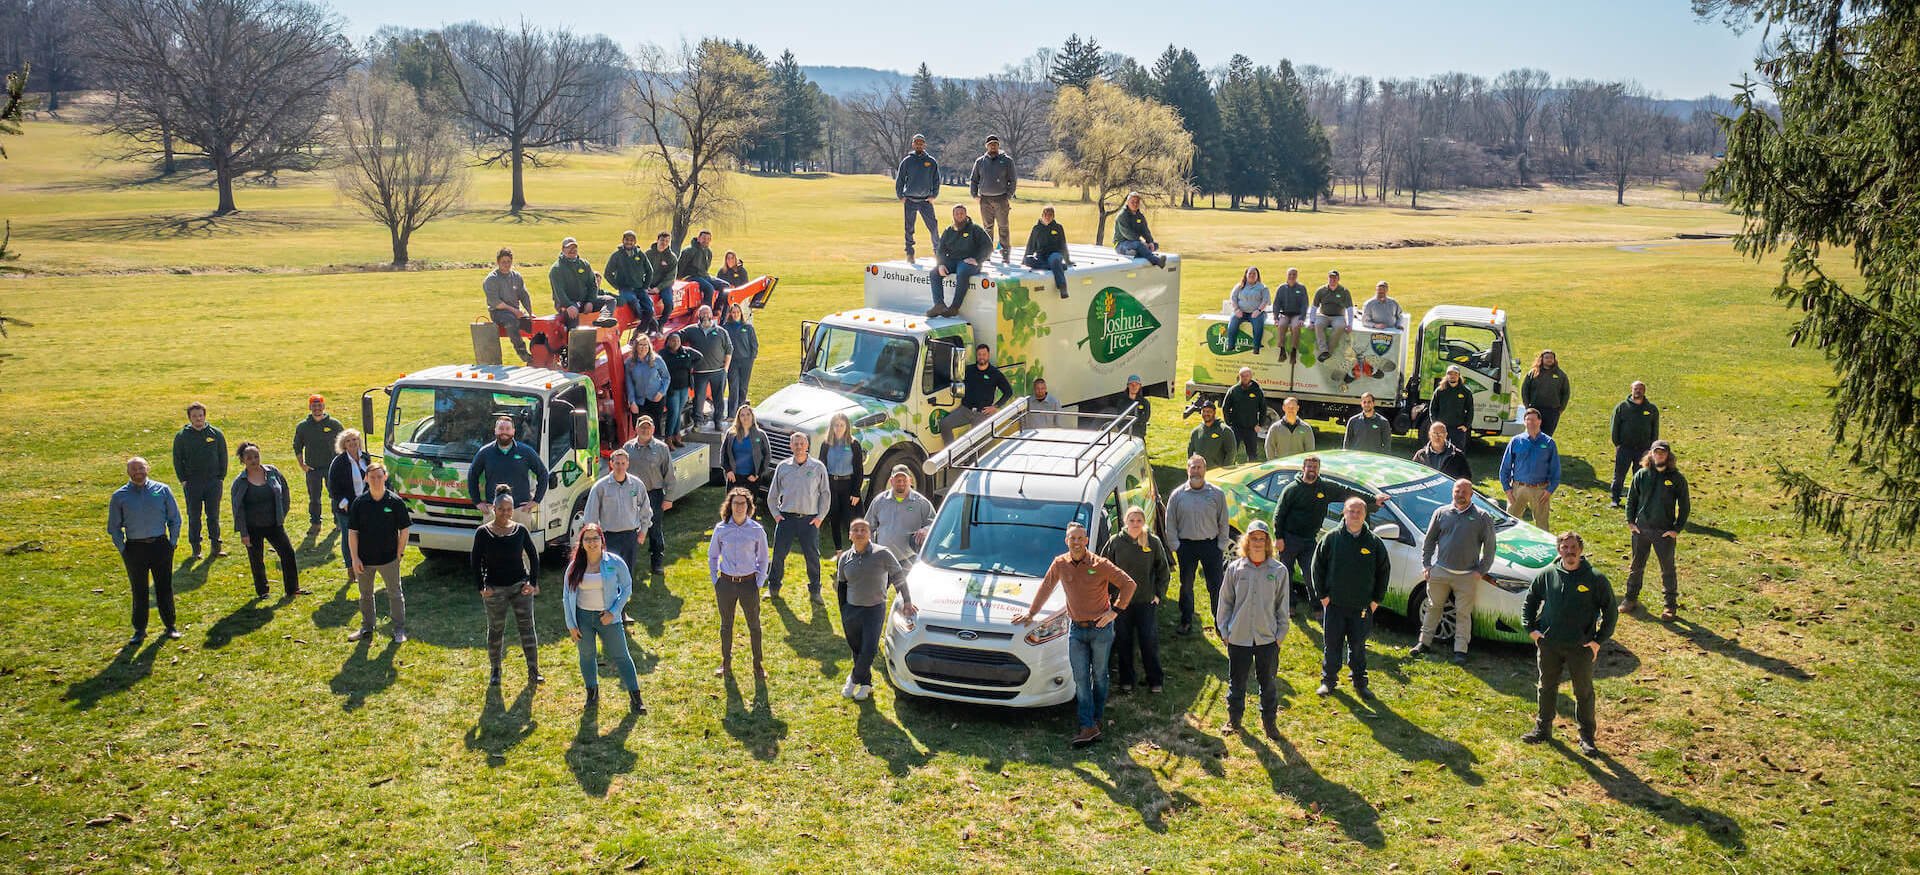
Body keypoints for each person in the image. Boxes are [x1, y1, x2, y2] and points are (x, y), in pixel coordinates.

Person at [1011, 523, 1138, 748]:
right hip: (1077, 630)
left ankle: (1095, 719)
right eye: (1072, 539)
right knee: (1080, 678)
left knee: (1099, 676)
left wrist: (1115, 611)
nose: (1076, 542)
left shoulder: (1100, 564)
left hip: (1101, 629)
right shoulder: (1060, 564)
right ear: (1066, 541)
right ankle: (1087, 724)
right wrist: (1031, 614)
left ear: (1087, 540)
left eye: (1080, 538)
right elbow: (1046, 587)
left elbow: (1129, 584)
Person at [1522, 531, 1617, 756]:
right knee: (1546, 686)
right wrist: (1531, 629)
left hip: (1580, 647)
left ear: (1580, 550)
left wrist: (1597, 641)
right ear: (1559, 550)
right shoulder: (1547, 574)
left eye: (1573, 547)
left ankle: (1587, 738)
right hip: (1549, 644)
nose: (1569, 552)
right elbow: (1531, 599)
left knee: (1583, 691)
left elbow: (1611, 612)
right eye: (1565, 548)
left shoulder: (1595, 578)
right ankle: (1542, 729)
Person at [1273, 455, 1388, 619]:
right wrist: (1279, 537)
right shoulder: (1292, 489)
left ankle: (1317, 607)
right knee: (1286, 574)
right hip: (1289, 538)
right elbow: (1279, 513)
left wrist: (1373, 499)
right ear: (1303, 468)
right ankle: (1289, 605)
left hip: (1309, 539)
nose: (1312, 469)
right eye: (1309, 466)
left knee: (1311, 574)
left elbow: (1347, 492)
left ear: (1318, 469)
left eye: (1315, 467)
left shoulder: (1325, 487)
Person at [1312, 497, 1391, 699]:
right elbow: (1317, 567)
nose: (1354, 515)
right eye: (1351, 511)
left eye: (1359, 512)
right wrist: (1323, 597)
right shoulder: (1331, 539)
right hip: (1335, 605)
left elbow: (1384, 572)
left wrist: (1375, 601)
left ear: (1365, 515)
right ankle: (1328, 681)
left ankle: (1359, 681)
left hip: (1362, 608)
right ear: (1344, 513)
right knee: (1332, 645)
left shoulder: (1374, 543)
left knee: (1358, 646)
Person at [1411, 478, 1498, 663]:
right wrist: (1427, 565)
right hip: (1440, 572)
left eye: (1464, 492)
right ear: (1453, 492)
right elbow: (1429, 541)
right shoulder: (1441, 513)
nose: (1460, 495)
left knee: (1463, 613)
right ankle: (1423, 643)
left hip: (1467, 576)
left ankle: (1460, 650)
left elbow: (1490, 549)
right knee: (1433, 607)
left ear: (1471, 494)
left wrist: (1480, 571)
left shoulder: (1482, 517)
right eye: (1457, 491)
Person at [1216, 520, 1289, 738]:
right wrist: (1225, 631)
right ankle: (1234, 719)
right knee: (1237, 682)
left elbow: (1282, 605)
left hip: (1267, 639)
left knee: (1268, 683)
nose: (1258, 542)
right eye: (1254, 538)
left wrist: (1280, 635)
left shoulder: (1279, 571)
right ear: (1247, 541)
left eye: (1262, 538)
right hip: (1239, 637)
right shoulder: (1234, 569)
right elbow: (1225, 602)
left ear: (1267, 542)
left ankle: (1270, 724)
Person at [562, 523, 643, 713]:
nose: (592, 543)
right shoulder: (575, 567)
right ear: (581, 543)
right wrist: (571, 624)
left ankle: (636, 696)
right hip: (583, 618)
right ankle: (592, 693)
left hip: (608, 618)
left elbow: (627, 588)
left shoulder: (614, 562)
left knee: (621, 656)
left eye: (595, 538)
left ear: (602, 541)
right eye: (587, 539)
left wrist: (613, 612)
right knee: (587, 655)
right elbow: (566, 596)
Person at [472, 486, 542, 686]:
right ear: (494, 508)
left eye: (509, 509)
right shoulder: (483, 533)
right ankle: (495, 669)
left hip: (520, 587)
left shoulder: (520, 530)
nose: (505, 512)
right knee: (496, 630)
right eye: (501, 509)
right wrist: (481, 586)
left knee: (527, 629)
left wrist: (532, 582)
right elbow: (475, 561)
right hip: (495, 589)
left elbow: (533, 556)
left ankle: (533, 670)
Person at [834, 518, 909, 700]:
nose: (860, 533)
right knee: (857, 649)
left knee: (869, 649)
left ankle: (853, 680)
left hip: (874, 609)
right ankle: (866, 684)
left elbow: (898, 576)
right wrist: (843, 611)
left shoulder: (882, 553)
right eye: (856, 530)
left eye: (863, 530)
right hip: (851, 610)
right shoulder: (844, 558)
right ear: (850, 535)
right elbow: (842, 586)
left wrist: (907, 601)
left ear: (870, 534)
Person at [109, 456, 182, 643]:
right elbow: (114, 527)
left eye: (141, 468)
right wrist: (123, 549)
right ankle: (139, 630)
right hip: (135, 548)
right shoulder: (119, 496)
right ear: (128, 472)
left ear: (147, 468)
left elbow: (175, 518)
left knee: (164, 587)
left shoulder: (162, 490)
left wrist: (172, 542)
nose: (138, 472)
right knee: (139, 590)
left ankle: (170, 626)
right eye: (133, 469)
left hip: (160, 545)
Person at [1101, 506, 1170, 695]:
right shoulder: (1115, 542)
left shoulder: (1153, 542)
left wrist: (1158, 594)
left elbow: (1163, 570)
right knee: (1124, 641)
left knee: (1148, 641)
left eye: (1139, 520)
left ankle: (1155, 680)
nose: (1135, 524)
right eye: (1132, 520)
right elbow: (1103, 568)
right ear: (1125, 521)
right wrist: (1108, 595)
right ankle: (1126, 680)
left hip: (1145, 601)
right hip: (1121, 603)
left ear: (1143, 522)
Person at [1164, 454, 1231, 636]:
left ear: (1205, 469)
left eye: (1199, 467)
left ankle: (1220, 623)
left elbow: (1223, 521)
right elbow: (1170, 522)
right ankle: (1186, 621)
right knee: (1186, 586)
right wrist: (1175, 545)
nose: (1196, 471)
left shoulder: (1217, 494)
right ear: (1188, 470)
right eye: (1193, 467)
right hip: (1186, 547)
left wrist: (1221, 544)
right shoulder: (1177, 495)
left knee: (1216, 586)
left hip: (1211, 546)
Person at [1623, 441, 1690, 621]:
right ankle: (1630, 599)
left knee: (1667, 569)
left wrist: (1676, 529)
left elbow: (1684, 506)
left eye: (1663, 452)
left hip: (1664, 532)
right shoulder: (1642, 475)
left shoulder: (1677, 478)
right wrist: (1631, 521)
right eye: (1656, 452)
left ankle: (1670, 606)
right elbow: (1631, 499)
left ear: (1668, 455)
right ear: (1651, 454)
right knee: (1636, 566)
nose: (1659, 455)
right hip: (1641, 530)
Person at [346, 463, 411, 643]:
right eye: (372, 477)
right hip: (364, 560)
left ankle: (399, 629)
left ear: (385, 477)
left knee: (395, 593)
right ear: (366, 478)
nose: (375, 480)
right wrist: (354, 557)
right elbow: (352, 532)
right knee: (365, 594)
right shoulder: (359, 503)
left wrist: (400, 552)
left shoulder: (395, 502)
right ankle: (367, 627)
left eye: (379, 476)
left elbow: (404, 529)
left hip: (389, 558)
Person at [708, 487, 769, 679]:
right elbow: (712, 556)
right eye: (736, 503)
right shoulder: (721, 529)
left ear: (748, 506)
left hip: (748, 583)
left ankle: (758, 665)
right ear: (730, 506)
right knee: (726, 625)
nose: (739, 507)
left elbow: (764, 559)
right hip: (726, 583)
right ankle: (725, 663)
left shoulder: (756, 530)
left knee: (754, 626)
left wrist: (758, 582)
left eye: (743, 503)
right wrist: (715, 580)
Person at [767, 432, 832, 604]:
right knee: (779, 554)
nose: (799, 446)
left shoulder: (818, 467)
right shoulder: (783, 467)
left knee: (812, 556)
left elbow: (825, 494)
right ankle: (773, 588)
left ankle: (815, 591)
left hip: (809, 519)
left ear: (807, 445)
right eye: (795, 444)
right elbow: (772, 494)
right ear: (790, 446)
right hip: (786, 518)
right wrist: (776, 515)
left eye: (802, 443)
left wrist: (820, 517)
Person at [229, 442, 299, 600]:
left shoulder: (272, 472)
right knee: (257, 560)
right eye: (249, 458)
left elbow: (284, 492)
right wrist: (243, 533)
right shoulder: (240, 482)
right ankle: (262, 591)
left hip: (274, 524)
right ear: (243, 460)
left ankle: (292, 588)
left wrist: (282, 513)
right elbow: (237, 509)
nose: (254, 460)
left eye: (256, 456)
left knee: (288, 553)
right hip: (252, 527)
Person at [619, 416, 676, 575]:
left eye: (648, 427)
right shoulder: (627, 448)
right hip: (632, 495)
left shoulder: (661, 448)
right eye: (642, 427)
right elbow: (621, 471)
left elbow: (670, 476)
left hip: (654, 495)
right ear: (636, 429)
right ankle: (628, 563)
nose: (645, 430)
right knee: (629, 528)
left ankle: (656, 562)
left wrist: (669, 498)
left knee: (654, 528)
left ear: (653, 430)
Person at [466, 417, 549, 526]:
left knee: (519, 543)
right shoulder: (485, 452)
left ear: (513, 431)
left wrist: (536, 500)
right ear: (495, 430)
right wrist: (477, 502)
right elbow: (472, 475)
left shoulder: (526, 451)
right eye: (501, 428)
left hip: (520, 510)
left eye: (507, 429)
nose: (504, 432)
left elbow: (543, 473)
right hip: (493, 509)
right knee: (492, 543)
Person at [582, 449, 652, 575]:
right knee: (610, 571)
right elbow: (590, 514)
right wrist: (591, 538)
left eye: (623, 463)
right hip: (609, 537)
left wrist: (643, 530)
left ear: (628, 464)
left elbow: (645, 508)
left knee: (627, 571)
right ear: (611, 464)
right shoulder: (600, 487)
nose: (620, 467)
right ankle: (611, 593)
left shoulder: (636, 484)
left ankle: (626, 594)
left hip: (630, 536)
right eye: (617, 463)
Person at [172, 401, 228, 558]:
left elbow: (223, 455)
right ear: (189, 418)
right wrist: (183, 479)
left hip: (213, 482)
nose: (198, 419)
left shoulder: (215, 434)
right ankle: (196, 549)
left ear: (205, 416)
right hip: (192, 483)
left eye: (200, 415)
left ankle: (216, 547)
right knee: (194, 516)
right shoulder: (182, 437)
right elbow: (177, 459)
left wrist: (220, 477)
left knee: (213, 515)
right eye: (194, 416)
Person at [1500, 408, 1561, 531]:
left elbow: (1555, 470)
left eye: (1533, 420)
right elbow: (1504, 468)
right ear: (1524, 422)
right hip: (1518, 488)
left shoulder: (1549, 443)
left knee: (1542, 526)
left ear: (1539, 421)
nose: (1530, 423)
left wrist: (1549, 490)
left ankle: (1543, 548)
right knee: (1510, 524)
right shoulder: (1516, 441)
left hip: (1540, 490)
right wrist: (1507, 490)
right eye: (1528, 420)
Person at [937, 344, 1012, 443]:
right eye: (979, 354)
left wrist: (995, 407)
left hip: (982, 414)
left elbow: (1008, 392)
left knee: (974, 442)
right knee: (944, 424)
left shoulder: (995, 373)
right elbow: (955, 378)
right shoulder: (968, 370)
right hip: (965, 410)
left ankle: (973, 458)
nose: (982, 357)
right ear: (977, 356)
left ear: (988, 355)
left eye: (984, 354)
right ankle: (951, 453)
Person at [291, 394, 342, 535]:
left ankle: (338, 521)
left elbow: (345, 443)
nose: (317, 408)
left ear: (324, 406)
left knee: (335, 495)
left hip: (332, 467)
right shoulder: (303, 427)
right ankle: (315, 523)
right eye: (314, 405)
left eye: (319, 405)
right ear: (310, 407)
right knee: (314, 498)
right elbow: (297, 446)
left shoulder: (334, 424)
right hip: (313, 468)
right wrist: (302, 464)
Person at [929, 204, 991, 317]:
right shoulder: (949, 230)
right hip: (952, 261)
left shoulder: (975, 229)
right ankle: (939, 305)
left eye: (962, 213)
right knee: (934, 272)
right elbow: (940, 249)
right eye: (957, 214)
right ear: (953, 215)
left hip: (969, 262)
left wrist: (977, 259)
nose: (959, 216)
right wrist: (941, 264)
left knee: (962, 272)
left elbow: (988, 246)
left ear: (966, 215)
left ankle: (954, 307)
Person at [678, 305, 733, 432]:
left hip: (718, 372)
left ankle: (718, 421)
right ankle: (698, 422)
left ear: (711, 315)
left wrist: (726, 368)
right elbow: (676, 338)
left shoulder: (721, 331)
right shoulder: (691, 330)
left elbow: (729, 349)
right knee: (699, 398)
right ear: (699, 316)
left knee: (718, 398)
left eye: (707, 313)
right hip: (699, 372)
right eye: (703, 313)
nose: (705, 315)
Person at [325, 429, 371, 573]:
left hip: (364, 505)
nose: (352, 443)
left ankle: (364, 564)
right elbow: (332, 487)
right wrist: (343, 503)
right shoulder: (339, 462)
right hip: (347, 506)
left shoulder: (365, 458)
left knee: (365, 535)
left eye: (355, 439)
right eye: (348, 441)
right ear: (344, 444)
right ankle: (351, 568)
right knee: (348, 537)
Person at [820, 413, 867, 551]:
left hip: (848, 486)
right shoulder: (826, 444)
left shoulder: (853, 444)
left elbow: (859, 469)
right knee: (834, 518)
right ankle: (839, 551)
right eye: (836, 425)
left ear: (847, 426)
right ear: (832, 427)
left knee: (849, 520)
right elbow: (821, 467)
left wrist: (856, 491)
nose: (839, 428)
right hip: (831, 485)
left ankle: (855, 549)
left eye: (842, 425)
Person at [867, 465, 934, 560]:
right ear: (891, 481)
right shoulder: (879, 501)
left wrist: (926, 530)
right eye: (898, 480)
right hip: (883, 559)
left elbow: (935, 525)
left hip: (909, 559)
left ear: (910, 481)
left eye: (904, 480)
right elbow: (868, 527)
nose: (901, 483)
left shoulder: (921, 502)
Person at [1609, 381, 1660, 508]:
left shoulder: (1651, 409)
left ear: (1644, 391)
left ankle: (1637, 501)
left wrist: (1652, 448)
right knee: (1619, 475)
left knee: (1640, 476)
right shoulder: (1622, 407)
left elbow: (1655, 429)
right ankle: (1615, 498)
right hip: (1625, 448)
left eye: (1641, 389)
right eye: (1636, 389)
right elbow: (1614, 427)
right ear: (1631, 390)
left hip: (1643, 450)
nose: (1638, 391)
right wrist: (1617, 444)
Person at [969, 134, 1017, 263]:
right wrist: (975, 194)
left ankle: (1005, 254)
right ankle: (987, 253)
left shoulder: (1007, 161)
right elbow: (974, 179)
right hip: (985, 200)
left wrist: (1008, 195)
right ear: (986, 146)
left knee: (1003, 227)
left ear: (998, 145)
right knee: (987, 228)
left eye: (995, 144)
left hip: (1001, 198)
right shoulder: (980, 161)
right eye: (990, 144)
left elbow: (1012, 180)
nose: (993, 146)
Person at [482, 248, 535, 362]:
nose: (506, 265)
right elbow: (495, 302)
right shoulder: (491, 280)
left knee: (535, 324)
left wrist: (530, 313)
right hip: (498, 311)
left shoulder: (516, 276)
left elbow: (524, 295)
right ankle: (522, 352)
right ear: (498, 262)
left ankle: (539, 352)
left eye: (508, 261)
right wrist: (515, 311)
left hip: (515, 310)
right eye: (503, 262)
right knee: (511, 320)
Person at [895, 133, 941, 264]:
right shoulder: (907, 161)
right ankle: (910, 253)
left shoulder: (931, 161)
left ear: (924, 145)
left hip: (925, 200)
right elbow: (900, 179)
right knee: (909, 228)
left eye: (921, 142)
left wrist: (934, 195)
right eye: (916, 142)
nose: (919, 144)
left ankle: (938, 252)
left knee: (933, 227)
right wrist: (900, 195)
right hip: (910, 200)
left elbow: (936, 179)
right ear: (913, 144)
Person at [549, 236, 611, 330]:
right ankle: (572, 342)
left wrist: (590, 301)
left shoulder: (584, 264)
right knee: (573, 313)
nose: (572, 250)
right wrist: (568, 305)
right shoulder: (556, 269)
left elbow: (592, 284)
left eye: (574, 247)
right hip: (567, 303)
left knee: (609, 300)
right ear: (563, 249)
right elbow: (559, 292)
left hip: (584, 300)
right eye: (569, 247)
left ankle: (603, 319)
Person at [604, 231, 657, 331]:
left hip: (640, 288)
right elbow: (607, 273)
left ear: (635, 242)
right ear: (623, 241)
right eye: (627, 240)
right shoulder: (617, 255)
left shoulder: (640, 254)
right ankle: (651, 323)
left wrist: (645, 286)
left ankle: (641, 328)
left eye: (631, 240)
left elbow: (649, 271)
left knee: (649, 309)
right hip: (625, 289)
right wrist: (617, 286)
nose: (629, 242)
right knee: (633, 302)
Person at [658, 332, 703, 446]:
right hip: (671, 388)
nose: (676, 343)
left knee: (678, 412)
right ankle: (668, 438)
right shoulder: (663, 354)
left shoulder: (686, 351)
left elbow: (700, 357)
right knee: (673, 412)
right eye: (673, 340)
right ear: (667, 342)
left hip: (684, 387)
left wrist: (691, 366)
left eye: (678, 340)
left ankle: (676, 436)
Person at [625, 334, 670, 436]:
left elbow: (666, 377)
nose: (643, 347)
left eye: (646, 345)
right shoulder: (629, 363)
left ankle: (656, 449)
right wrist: (632, 402)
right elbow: (629, 383)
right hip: (639, 401)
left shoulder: (657, 360)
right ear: (635, 347)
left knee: (655, 428)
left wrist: (661, 392)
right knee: (639, 428)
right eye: (641, 345)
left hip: (655, 398)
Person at [1521, 350, 1572, 436]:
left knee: (1547, 436)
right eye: (1547, 357)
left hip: (1552, 411)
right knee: (1532, 434)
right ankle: (1531, 449)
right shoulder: (1533, 373)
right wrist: (1527, 406)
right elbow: (1524, 390)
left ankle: (1544, 449)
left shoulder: (1560, 375)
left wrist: (1561, 408)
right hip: (1535, 409)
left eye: (1551, 358)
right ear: (1542, 359)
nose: (1549, 360)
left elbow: (1566, 393)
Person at [1022, 206, 1070, 297]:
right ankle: (1058, 267)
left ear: (1053, 216)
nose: (1047, 217)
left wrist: (1067, 260)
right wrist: (1024, 260)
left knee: (1055, 260)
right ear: (1042, 216)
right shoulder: (1036, 229)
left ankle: (1062, 286)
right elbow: (1031, 245)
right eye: (1045, 215)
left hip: (1054, 254)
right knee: (1028, 260)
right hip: (1041, 257)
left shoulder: (1058, 228)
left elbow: (1063, 245)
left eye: (1050, 215)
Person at [722, 302, 759, 418]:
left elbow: (754, 345)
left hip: (746, 362)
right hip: (732, 362)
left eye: (738, 312)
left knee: (743, 388)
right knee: (733, 388)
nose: (736, 314)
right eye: (733, 312)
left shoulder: (747, 328)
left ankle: (741, 414)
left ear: (741, 313)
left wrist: (751, 359)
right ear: (730, 314)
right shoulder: (725, 328)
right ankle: (731, 415)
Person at [720, 404, 770, 490]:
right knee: (732, 503)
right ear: (738, 417)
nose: (745, 417)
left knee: (749, 503)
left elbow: (767, 455)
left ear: (752, 416)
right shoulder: (731, 433)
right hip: (734, 477)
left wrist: (757, 474)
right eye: (742, 415)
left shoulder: (760, 435)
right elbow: (723, 453)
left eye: (748, 414)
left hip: (752, 478)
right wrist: (728, 470)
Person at [1112, 192, 1168, 268]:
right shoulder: (1122, 216)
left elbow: (1145, 231)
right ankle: (1157, 261)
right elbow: (1127, 234)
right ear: (1127, 202)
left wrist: (1150, 242)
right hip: (1121, 244)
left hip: (1134, 243)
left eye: (1137, 202)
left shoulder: (1140, 216)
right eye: (1132, 202)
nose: (1135, 204)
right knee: (1139, 245)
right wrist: (1141, 243)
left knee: (1155, 245)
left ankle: (1136, 252)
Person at [1222, 367, 1267, 462]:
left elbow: (1263, 408)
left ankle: (1251, 471)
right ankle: (1229, 469)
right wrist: (1228, 423)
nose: (1245, 378)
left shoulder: (1257, 391)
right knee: (1231, 452)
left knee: (1252, 454)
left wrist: (1260, 424)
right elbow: (1225, 407)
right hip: (1236, 427)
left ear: (1251, 376)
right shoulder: (1234, 390)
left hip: (1251, 428)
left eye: (1247, 376)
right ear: (1239, 377)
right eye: (1242, 376)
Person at [676, 229, 728, 311]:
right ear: (698, 238)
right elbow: (680, 266)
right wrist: (677, 280)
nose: (706, 241)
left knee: (725, 286)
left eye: (708, 239)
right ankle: (706, 313)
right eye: (704, 238)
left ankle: (717, 309)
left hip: (703, 276)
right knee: (709, 288)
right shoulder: (689, 251)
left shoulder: (708, 252)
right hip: (691, 276)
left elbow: (706, 268)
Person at [1428, 365, 1476, 451]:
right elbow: (1433, 408)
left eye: (1455, 374)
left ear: (1459, 376)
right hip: (1442, 429)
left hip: (1458, 429)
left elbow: (1470, 410)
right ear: (1446, 376)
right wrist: (1435, 424)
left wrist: (1466, 425)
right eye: (1450, 373)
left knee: (1458, 454)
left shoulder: (1465, 391)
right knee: (1439, 451)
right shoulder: (1440, 391)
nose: (1452, 376)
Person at [1311, 270, 1354, 363]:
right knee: (1318, 324)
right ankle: (1323, 350)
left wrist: (1350, 324)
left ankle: (1329, 351)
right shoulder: (1321, 290)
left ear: (1338, 279)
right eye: (1330, 277)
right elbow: (1314, 306)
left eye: (1334, 278)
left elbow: (1350, 308)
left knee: (1340, 326)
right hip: (1323, 315)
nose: (1332, 280)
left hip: (1338, 316)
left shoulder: (1344, 291)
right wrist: (1311, 321)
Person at [1227, 266, 1270, 353]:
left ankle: (1256, 347)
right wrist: (1236, 309)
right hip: (1241, 312)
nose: (1252, 275)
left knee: (1258, 326)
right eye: (1250, 273)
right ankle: (1231, 345)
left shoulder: (1263, 288)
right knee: (1232, 323)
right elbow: (1233, 298)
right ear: (1246, 275)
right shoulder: (1240, 286)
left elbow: (1265, 301)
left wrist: (1258, 310)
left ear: (1258, 275)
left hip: (1256, 312)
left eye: (1254, 273)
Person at [1271, 267, 1310, 363]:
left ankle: (1293, 350)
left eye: (1294, 274)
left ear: (1297, 276)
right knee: (1281, 325)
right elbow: (1276, 304)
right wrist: (1276, 317)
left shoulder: (1301, 288)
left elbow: (1304, 304)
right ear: (1287, 275)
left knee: (1296, 326)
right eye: (1290, 274)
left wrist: (1302, 318)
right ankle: (1282, 350)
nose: (1292, 276)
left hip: (1297, 314)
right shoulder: (1281, 288)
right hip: (1285, 313)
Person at [1187, 399, 1236, 469]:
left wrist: (1225, 470)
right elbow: (1190, 452)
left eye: (1209, 412)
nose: (1206, 414)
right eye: (1203, 411)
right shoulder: (1196, 432)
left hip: (1217, 474)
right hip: (1200, 473)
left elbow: (1231, 453)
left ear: (1214, 412)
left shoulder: (1224, 430)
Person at [1264, 396, 1315, 461]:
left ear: (1297, 408)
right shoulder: (1275, 428)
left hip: (1299, 465)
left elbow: (1310, 450)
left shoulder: (1306, 428)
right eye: (1288, 407)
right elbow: (1269, 447)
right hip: (1281, 465)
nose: (1291, 409)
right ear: (1283, 408)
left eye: (1293, 407)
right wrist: (1273, 462)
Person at [645, 232, 678, 319]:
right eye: (662, 240)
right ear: (657, 240)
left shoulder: (672, 258)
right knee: (644, 302)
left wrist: (658, 288)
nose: (664, 243)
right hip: (648, 284)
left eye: (667, 241)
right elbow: (640, 271)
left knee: (669, 303)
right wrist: (646, 286)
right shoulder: (648, 254)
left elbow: (671, 278)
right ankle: (646, 324)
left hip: (664, 286)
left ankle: (661, 324)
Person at [1121, 374, 1151, 439]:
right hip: (1125, 435)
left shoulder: (1144, 402)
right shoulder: (1122, 402)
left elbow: (1145, 418)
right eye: (1132, 384)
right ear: (1128, 386)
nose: (1134, 387)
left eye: (1136, 384)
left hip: (1138, 435)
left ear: (1140, 386)